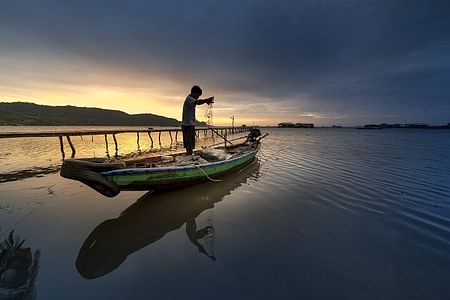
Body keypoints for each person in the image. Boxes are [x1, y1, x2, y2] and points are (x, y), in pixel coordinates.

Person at [181, 85, 214, 155]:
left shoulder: (190, 99)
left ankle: (189, 155)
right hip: (188, 125)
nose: (198, 97)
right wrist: (206, 100)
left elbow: (198, 102)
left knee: (189, 143)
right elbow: (198, 102)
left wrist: (205, 101)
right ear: (194, 93)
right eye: (198, 95)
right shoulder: (190, 99)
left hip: (186, 124)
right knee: (189, 144)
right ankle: (189, 156)